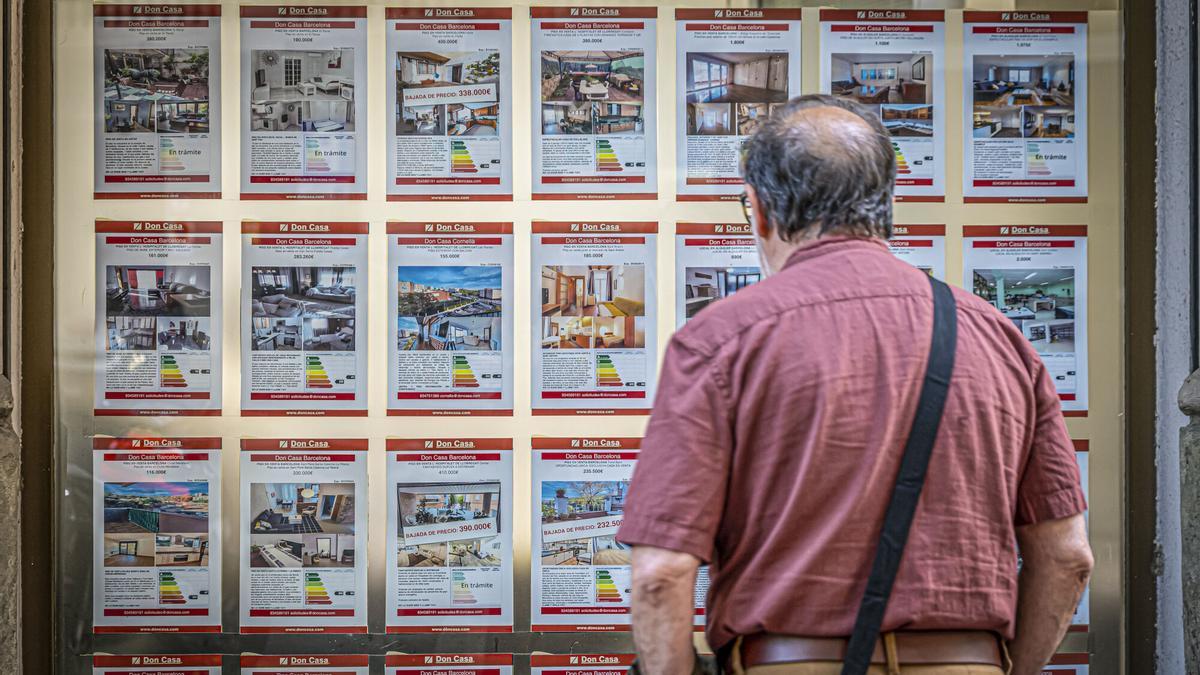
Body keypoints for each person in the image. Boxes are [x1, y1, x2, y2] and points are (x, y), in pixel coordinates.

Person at [616, 95, 1092, 675]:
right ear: (888, 206)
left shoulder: (721, 340)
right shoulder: (998, 338)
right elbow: (1067, 558)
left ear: (760, 210)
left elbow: (660, 574)